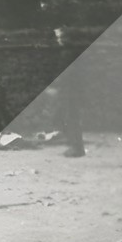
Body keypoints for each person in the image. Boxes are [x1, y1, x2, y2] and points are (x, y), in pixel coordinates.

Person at [54, 27, 86, 158]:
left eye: (60, 37)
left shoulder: (67, 54)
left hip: (69, 91)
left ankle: (76, 148)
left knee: (71, 118)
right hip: (70, 90)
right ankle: (76, 146)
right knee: (70, 118)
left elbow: (67, 74)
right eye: (58, 37)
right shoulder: (70, 52)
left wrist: (60, 84)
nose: (59, 40)